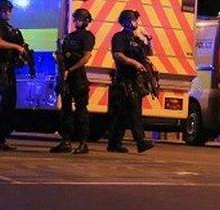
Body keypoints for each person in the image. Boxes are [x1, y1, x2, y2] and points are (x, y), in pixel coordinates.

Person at [106, 9, 155, 154]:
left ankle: (114, 144)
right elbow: (118, 55)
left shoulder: (137, 39)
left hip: (136, 80)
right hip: (124, 80)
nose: (137, 23)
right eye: (135, 20)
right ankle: (141, 141)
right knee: (134, 111)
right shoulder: (119, 37)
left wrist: (149, 40)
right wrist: (134, 63)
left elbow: (150, 53)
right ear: (127, 21)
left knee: (123, 114)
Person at [51, 8, 96, 155]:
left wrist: (70, 70)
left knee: (81, 110)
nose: (75, 21)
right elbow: (63, 56)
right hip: (66, 76)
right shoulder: (69, 37)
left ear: (84, 21)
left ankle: (83, 143)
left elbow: (86, 57)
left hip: (78, 77)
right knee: (65, 110)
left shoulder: (88, 36)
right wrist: (58, 58)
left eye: (77, 19)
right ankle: (66, 141)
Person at [0, 0, 27, 151]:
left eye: (9, 10)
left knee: (10, 102)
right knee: (8, 101)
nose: (7, 12)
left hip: (9, 67)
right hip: (1, 67)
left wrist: (22, 53)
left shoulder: (8, 27)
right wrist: (17, 47)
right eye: (4, 10)